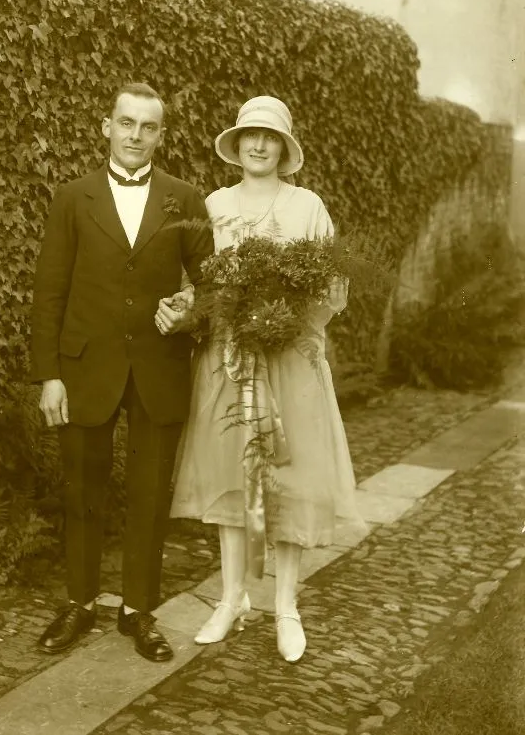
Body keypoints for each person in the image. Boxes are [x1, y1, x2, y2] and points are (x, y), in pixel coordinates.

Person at [170, 96, 366, 663]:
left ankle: (285, 606)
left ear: (284, 147)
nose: (259, 145)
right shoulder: (213, 205)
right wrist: (213, 311)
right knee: (232, 478)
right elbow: (198, 283)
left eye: (270, 137)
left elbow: (332, 288)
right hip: (230, 362)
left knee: (290, 479)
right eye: (250, 135)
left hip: (289, 363)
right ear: (237, 145)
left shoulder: (307, 207)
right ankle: (231, 598)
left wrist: (282, 322)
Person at [30, 82, 213, 661]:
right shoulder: (72, 197)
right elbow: (49, 291)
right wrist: (49, 375)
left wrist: (189, 313)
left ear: (161, 134)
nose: (136, 135)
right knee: (82, 492)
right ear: (106, 127)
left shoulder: (184, 198)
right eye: (126, 123)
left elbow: (212, 286)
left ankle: (138, 611)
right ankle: (80, 603)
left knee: (149, 496)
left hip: (159, 368)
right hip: (86, 368)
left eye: (148, 126)